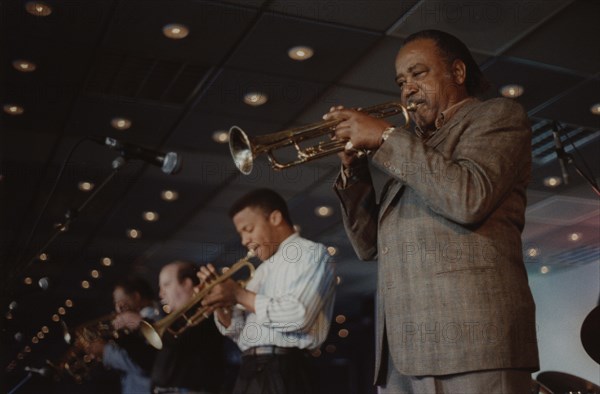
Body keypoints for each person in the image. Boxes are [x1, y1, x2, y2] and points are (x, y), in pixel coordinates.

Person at [325, 29, 539, 393]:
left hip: (475, 347)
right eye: (401, 80)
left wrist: (387, 138)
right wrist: (354, 169)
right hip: (402, 356)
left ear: (457, 72)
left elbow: (468, 197)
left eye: (418, 73)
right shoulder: (414, 152)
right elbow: (368, 246)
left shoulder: (497, 115)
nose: (407, 88)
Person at [198, 188, 336, 394]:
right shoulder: (260, 270)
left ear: (275, 218)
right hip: (249, 368)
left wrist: (238, 294)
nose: (244, 240)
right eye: (241, 233)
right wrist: (220, 304)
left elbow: (298, 316)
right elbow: (240, 334)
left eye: (249, 229)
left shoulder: (311, 252)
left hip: (284, 367)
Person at [85, 277, 160, 394]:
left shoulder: (152, 320)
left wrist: (106, 352)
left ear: (136, 297)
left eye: (121, 302)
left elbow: (144, 364)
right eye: (115, 304)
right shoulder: (137, 322)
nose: (118, 308)